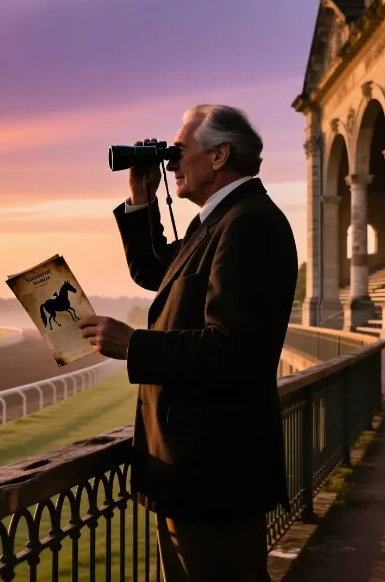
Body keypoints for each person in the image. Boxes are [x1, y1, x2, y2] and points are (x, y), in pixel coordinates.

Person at [78, 104, 298, 581]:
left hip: (214, 474)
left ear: (219, 156)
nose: (171, 163)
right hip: (198, 471)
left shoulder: (249, 224)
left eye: (179, 152)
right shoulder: (222, 221)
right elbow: (160, 273)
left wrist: (135, 346)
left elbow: (236, 350)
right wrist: (141, 199)